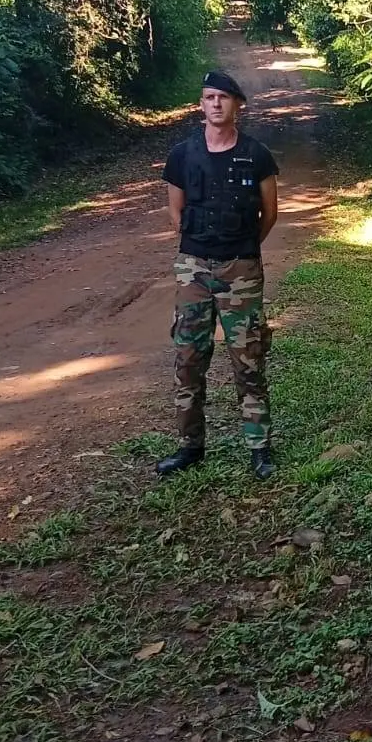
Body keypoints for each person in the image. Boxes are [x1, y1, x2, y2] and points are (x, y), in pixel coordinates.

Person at [155, 70, 279, 480]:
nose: (216, 104)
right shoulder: (182, 155)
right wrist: (201, 249)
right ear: (201, 104)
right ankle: (190, 445)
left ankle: (259, 448)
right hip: (193, 268)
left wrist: (240, 249)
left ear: (237, 105)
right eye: (209, 97)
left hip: (240, 267)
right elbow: (176, 212)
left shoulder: (257, 154)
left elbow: (270, 213)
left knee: (248, 359)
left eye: (223, 97)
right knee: (189, 358)